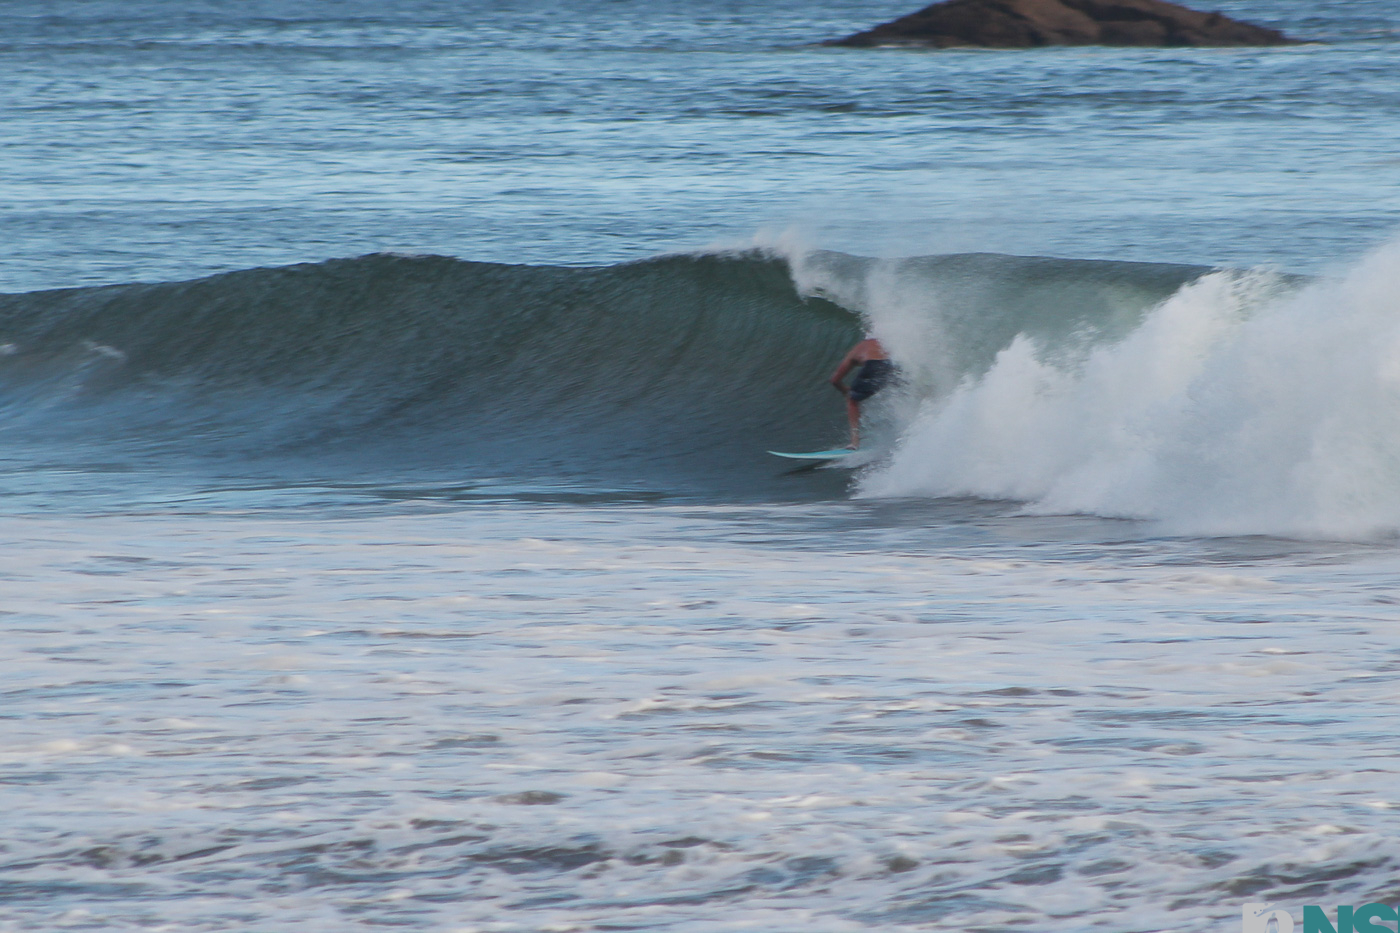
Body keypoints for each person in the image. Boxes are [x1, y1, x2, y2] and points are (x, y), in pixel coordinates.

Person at [829, 336, 895, 449]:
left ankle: (855, 442)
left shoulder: (855, 351)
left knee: (852, 400)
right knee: (902, 392)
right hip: (895, 364)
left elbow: (834, 380)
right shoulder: (887, 341)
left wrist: (845, 391)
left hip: (874, 365)